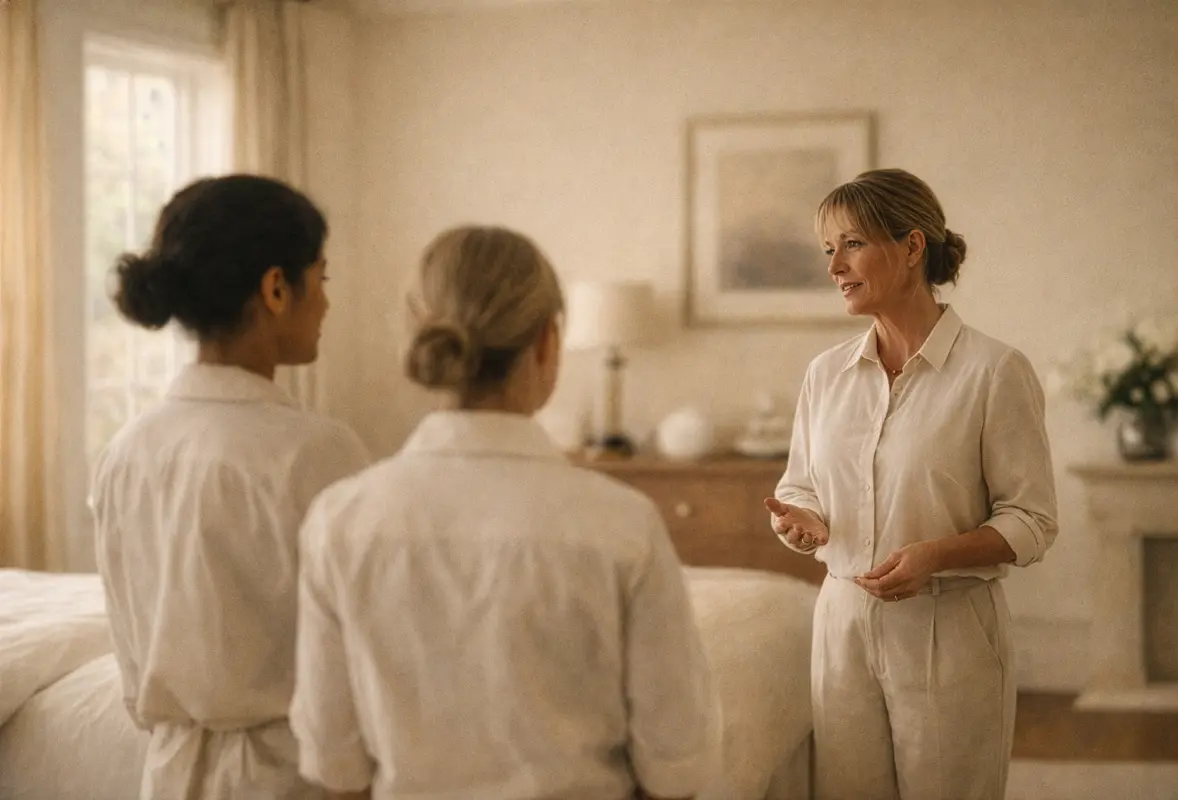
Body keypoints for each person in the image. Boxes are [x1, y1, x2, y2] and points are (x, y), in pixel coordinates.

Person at [289, 225, 719, 800]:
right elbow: (676, 765)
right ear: (547, 343)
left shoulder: (339, 521)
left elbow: (335, 767)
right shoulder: (623, 525)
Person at [765, 168, 1058, 800]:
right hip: (841, 621)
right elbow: (801, 487)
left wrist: (935, 555)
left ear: (912, 247)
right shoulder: (825, 375)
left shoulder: (994, 371)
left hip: (949, 626)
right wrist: (801, 521)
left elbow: (1032, 520)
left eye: (852, 244)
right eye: (828, 250)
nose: (835, 267)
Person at [91, 174, 373, 800]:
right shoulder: (317, 453)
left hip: (167, 773)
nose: (327, 303)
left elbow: (133, 665)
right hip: (294, 778)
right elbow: (363, 655)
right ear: (276, 288)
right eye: (321, 278)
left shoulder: (124, 452)